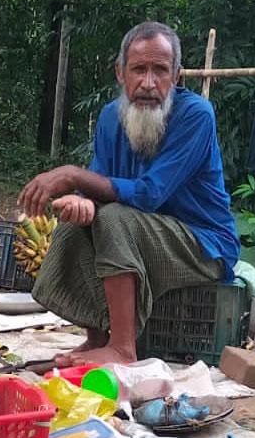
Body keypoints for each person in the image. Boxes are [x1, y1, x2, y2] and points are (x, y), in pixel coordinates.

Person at [19, 21, 238, 367]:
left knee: (113, 217)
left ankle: (122, 347)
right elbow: (101, 185)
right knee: (79, 220)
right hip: (145, 236)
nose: (148, 83)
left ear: (177, 76)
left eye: (160, 71)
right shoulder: (110, 118)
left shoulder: (196, 115)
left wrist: (74, 175)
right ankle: (96, 338)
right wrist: (82, 202)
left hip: (204, 245)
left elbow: (149, 194)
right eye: (139, 69)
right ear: (120, 73)